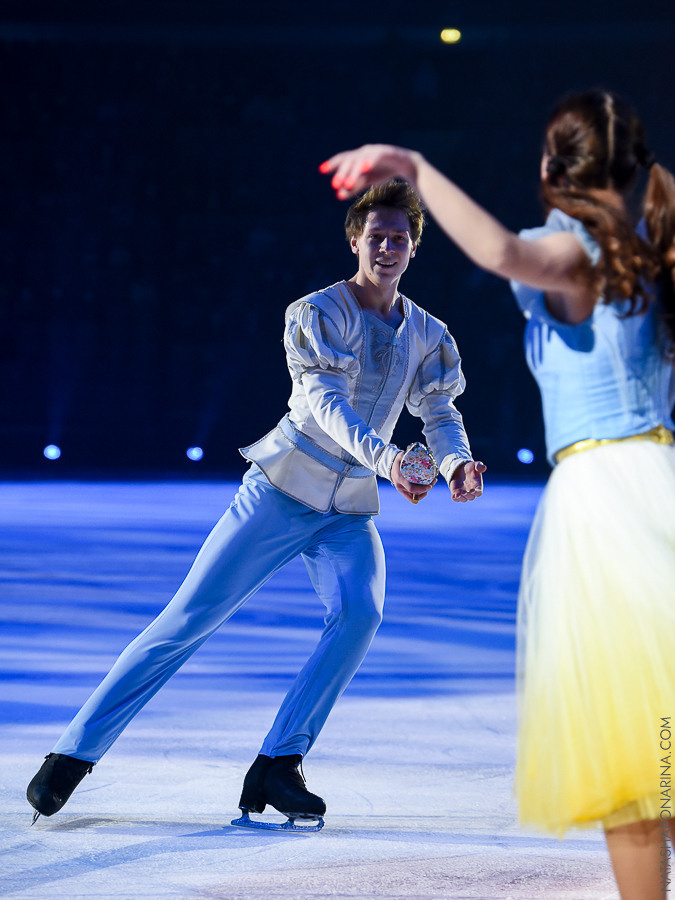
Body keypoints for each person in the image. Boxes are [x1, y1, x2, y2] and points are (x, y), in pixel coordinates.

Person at [27, 179, 485, 829]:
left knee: (359, 612)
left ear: (413, 249)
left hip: (347, 511)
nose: (387, 247)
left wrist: (454, 461)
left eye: (399, 239)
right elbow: (327, 407)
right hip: (279, 491)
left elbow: (439, 412)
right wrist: (389, 461)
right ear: (355, 239)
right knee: (186, 620)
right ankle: (73, 753)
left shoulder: (429, 334)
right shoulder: (316, 312)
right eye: (375, 236)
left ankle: (279, 764)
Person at [320, 89, 675, 898]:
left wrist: (413, 167)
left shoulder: (582, 253)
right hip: (654, 478)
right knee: (662, 747)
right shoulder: (650, 250)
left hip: (610, 498)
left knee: (637, 767)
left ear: (552, 169)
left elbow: (499, 253)